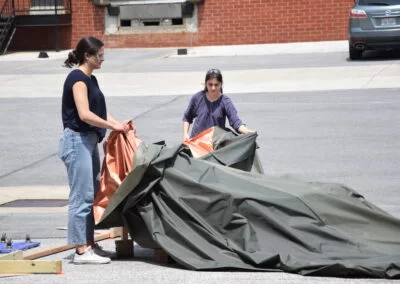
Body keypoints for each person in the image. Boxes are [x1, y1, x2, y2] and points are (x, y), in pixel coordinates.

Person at [57, 36, 129, 264]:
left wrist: (120, 126)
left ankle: (88, 244)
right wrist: (111, 127)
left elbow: (99, 112)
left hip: (89, 141)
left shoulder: (92, 80)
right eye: (100, 55)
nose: (103, 58)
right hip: (77, 141)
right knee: (82, 196)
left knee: (92, 194)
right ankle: (80, 251)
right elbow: (84, 114)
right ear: (87, 56)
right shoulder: (77, 79)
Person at [182, 68, 255, 141]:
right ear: (205, 83)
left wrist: (247, 131)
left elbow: (236, 122)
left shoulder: (225, 102)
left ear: (221, 84)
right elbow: (187, 117)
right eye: (210, 84)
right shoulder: (197, 98)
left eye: (216, 85)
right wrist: (185, 134)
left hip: (215, 143)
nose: (213, 88)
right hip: (197, 143)